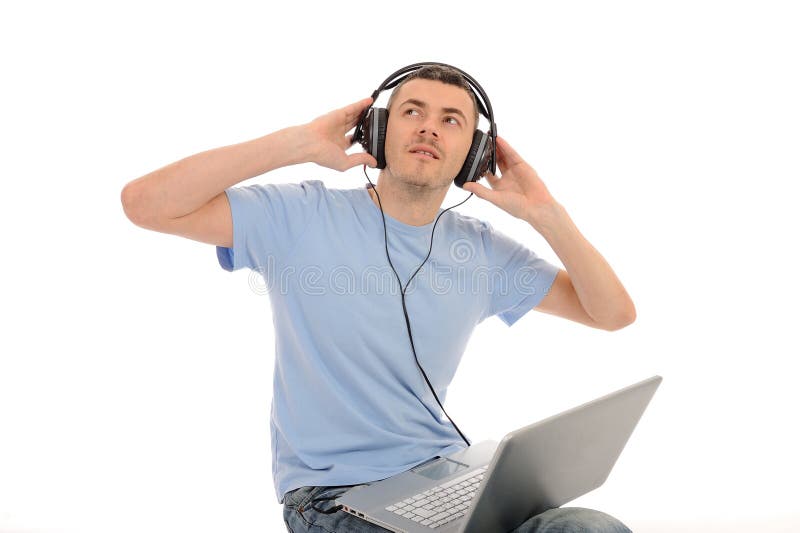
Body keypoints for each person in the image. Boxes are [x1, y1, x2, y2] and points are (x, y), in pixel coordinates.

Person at [121, 64, 636, 532]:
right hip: (332, 497)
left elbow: (612, 313)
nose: (429, 127)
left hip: (450, 481)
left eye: (452, 120)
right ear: (379, 131)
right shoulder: (298, 216)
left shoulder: (482, 252)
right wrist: (296, 143)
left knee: (591, 529)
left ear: (474, 157)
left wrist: (545, 213)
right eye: (413, 111)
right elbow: (145, 204)